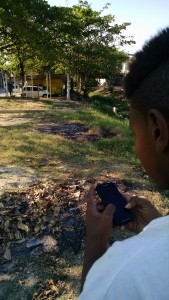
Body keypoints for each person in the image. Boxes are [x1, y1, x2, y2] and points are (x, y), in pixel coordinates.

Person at [79, 27, 169, 299]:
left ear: (157, 131)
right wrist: (158, 226)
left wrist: (96, 242)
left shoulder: (129, 274)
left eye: (133, 132)